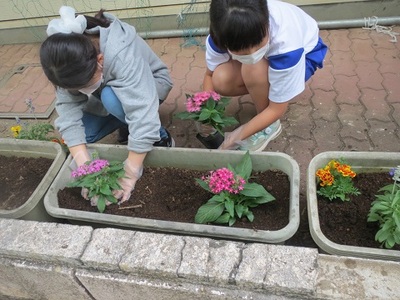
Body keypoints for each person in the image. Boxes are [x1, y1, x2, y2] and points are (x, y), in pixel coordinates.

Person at [40, 6, 174, 203]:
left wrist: (130, 172)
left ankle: (161, 137)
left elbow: (142, 113)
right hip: (104, 94)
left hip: (151, 85)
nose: (79, 91)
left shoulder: (121, 53)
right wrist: (85, 167)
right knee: (85, 135)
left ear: (100, 60)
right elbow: (68, 115)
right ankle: (125, 123)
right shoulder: (61, 63)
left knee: (112, 99)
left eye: (83, 85)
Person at [203, 0, 328, 151]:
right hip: (267, 59)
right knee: (221, 79)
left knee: (253, 69)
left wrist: (237, 136)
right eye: (241, 52)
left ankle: (269, 126)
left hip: (307, 55)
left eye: (258, 44)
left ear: (267, 24)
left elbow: (277, 108)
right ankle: (261, 90)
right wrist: (205, 113)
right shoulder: (221, 34)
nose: (253, 53)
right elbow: (210, 75)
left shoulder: (287, 44)